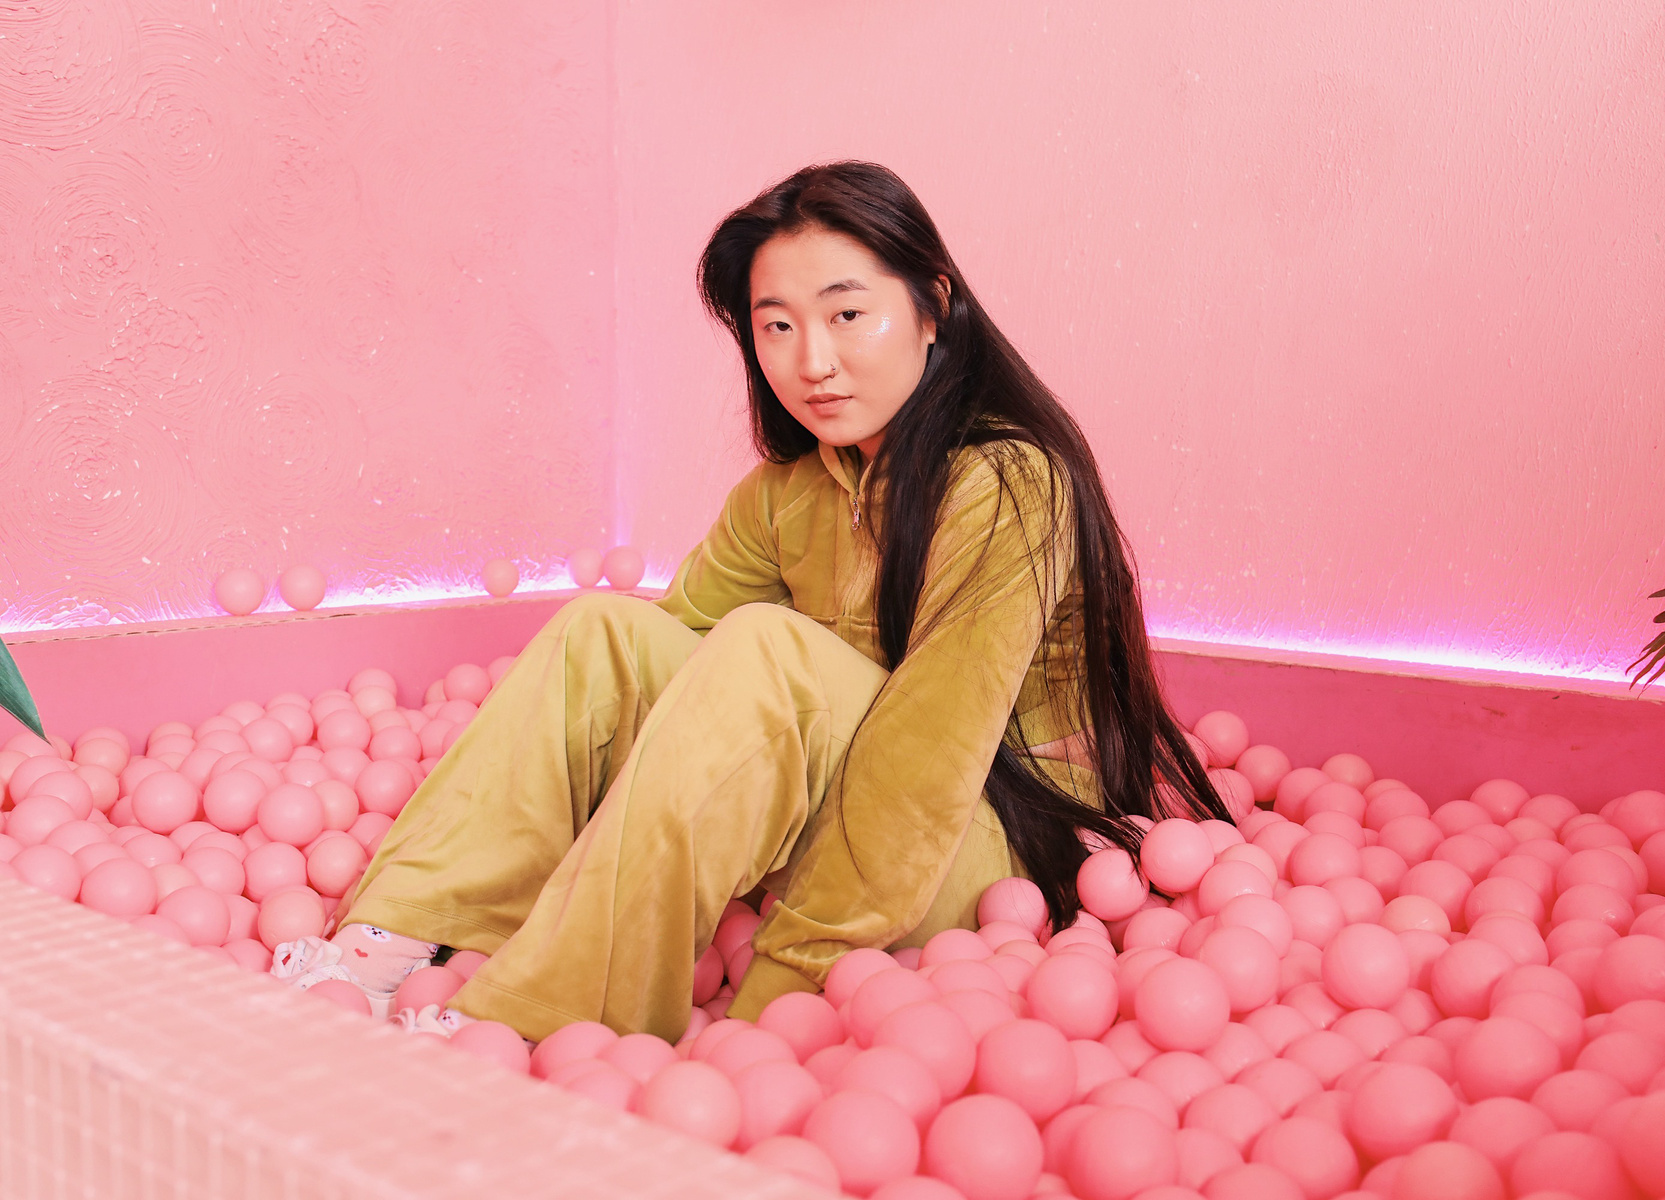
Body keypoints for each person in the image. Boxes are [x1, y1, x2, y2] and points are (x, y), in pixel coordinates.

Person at [273, 161, 1237, 1044]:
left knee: (768, 648)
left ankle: (535, 1022)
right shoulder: (789, 495)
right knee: (601, 630)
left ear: (934, 305)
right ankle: (381, 947)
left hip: (992, 842)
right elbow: (663, 675)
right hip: (842, 817)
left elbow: (927, 757)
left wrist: (779, 1001)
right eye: (777, 326)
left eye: (847, 316)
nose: (810, 360)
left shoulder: (1007, 481)